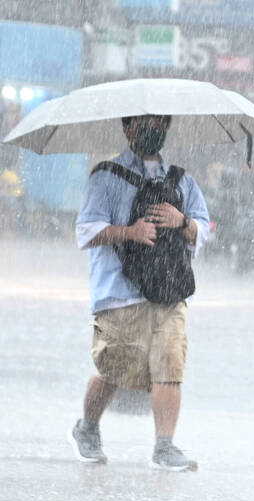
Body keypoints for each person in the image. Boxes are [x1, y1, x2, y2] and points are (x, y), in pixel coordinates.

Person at [68, 114, 210, 471]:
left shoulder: (182, 180)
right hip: (119, 291)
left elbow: (203, 229)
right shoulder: (105, 176)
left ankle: (164, 445)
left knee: (169, 365)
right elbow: (87, 230)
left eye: (163, 124)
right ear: (127, 128)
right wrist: (129, 232)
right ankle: (87, 427)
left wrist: (183, 222)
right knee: (116, 368)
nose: (156, 130)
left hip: (169, 290)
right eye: (147, 123)